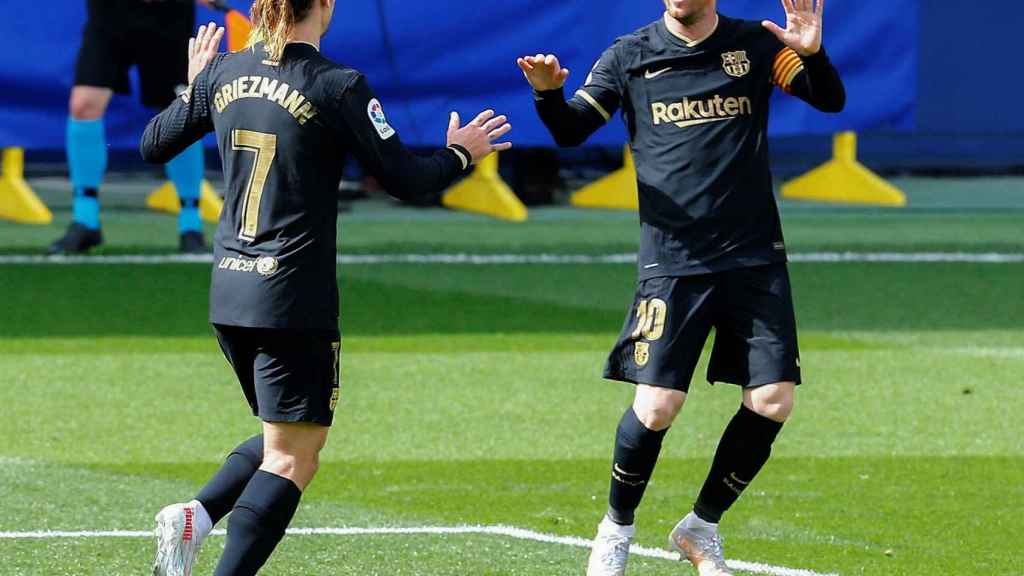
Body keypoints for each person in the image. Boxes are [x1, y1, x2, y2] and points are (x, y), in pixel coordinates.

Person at [139, 1, 511, 573]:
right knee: (294, 457)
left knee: (283, 436)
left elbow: (152, 145)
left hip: (230, 290)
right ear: (327, 5)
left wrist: (193, 90)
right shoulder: (338, 85)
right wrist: (462, 152)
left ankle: (197, 517)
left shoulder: (223, 72)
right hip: (290, 294)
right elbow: (405, 179)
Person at [517, 0, 844, 574]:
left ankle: (700, 526)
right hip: (672, 261)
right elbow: (572, 131)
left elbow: (829, 99)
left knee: (773, 400)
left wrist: (813, 55)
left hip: (753, 256)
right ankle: (615, 529)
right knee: (658, 405)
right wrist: (547, 94)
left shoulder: (757, 45)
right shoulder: (629, 56)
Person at [52, 0, 216, 255]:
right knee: (84, 104)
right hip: (111, 14)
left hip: (168, 16)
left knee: (180, 106)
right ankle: (85, 220)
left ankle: (191, 225)